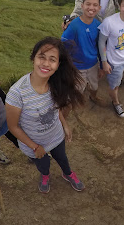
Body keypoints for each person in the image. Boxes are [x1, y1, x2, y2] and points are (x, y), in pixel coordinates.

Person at [5, 37, 86, 193]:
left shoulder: (55, 84)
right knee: (43, 165)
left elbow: (55, 109)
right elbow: (13, 127)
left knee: (62, 158)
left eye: (52, 60)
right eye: (41, 57)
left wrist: (65, 125)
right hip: (35, 146)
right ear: (33, 58)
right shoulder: (17, 94)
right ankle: (45, 176)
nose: (46, 64)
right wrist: (35, 147)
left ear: (58, 65)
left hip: (56, 136)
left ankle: (67, 173)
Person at [62, 0, 104, 105]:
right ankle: (76, 101)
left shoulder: (98, 25)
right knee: (78, 88)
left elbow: (100, 47)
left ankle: (93, 97)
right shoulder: (74, 25)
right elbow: (64, 45)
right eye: (88, 4)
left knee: (94, 85)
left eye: (95, 5)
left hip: (93, 64)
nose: (91, 7)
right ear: (82, 6)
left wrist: (101, 65)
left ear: (99, 8)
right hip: (77, 67)